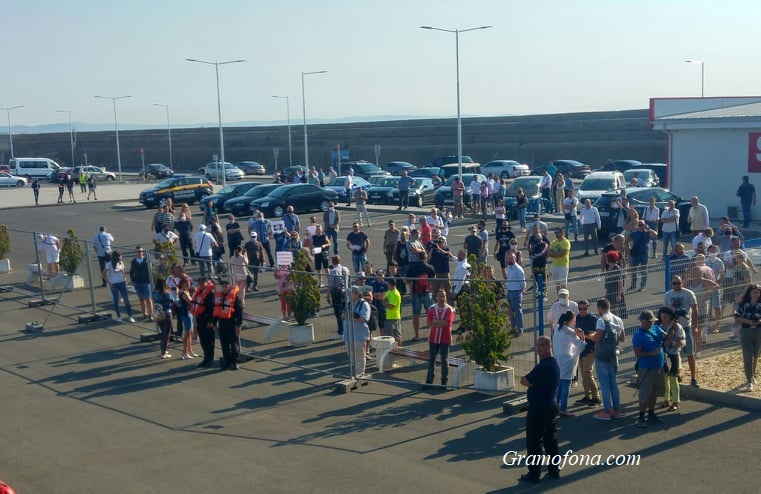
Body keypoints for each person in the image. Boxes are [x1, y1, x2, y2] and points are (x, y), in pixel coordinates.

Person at [518, 335, 560, 484]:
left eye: (542, 345)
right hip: (551, 406)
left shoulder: (544, 366)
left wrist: (529, 383)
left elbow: (525, 380)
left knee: (534, 442)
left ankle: (534, 474)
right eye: (537, 345)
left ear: (549, 347)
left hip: (539, 408)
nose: (538, 348)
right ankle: (554, 471)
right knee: (550, 440)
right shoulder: (553, 364)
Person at [591, 298, 626, 421]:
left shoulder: (601, 320)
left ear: (600, 308)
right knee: (613, 383)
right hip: (613, 355)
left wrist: (588, 336)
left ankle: (607, 410)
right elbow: (622, 338)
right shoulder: (618, 320)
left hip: (602, 355)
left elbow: (598, 338)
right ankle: (616, 409)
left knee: (604, 383)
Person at [664, 275, 700, 387]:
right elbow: (665, 310)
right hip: (673, 327)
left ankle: (693, 378)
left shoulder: (688, 293)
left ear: (682, 283)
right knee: (673, 353)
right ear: (671, 284)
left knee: (690, 352)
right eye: (674, 283)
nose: (676, 285)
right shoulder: (668, 295)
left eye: (678, 283)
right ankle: (676, 373)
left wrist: (695, 324)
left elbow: (694, 309)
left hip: (685, 327)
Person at [632, 310, 666, 428]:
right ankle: (641, 416)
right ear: (642, 321)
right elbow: (638, 354)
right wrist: (652, 353)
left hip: (658, 366)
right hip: (646, 368)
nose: (651, 323)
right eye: (649, 322)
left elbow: (665, 336)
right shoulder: (638, 335)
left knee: (655, 392)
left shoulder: (655, 328)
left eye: (652, 321)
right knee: (645, 393)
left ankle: (651, 413)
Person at [553, 311, 586, 416]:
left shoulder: (557, 328)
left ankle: (556, 406)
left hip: (558, 359)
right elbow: (580, 345)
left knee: (558, 384)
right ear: (571, 320)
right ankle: (563, 408)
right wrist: (582, 335)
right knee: (566, 385)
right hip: (567, 361)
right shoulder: (569, 332)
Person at [423, 289, 455, 389]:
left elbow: (448, 323)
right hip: (433, 339)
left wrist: (436, 322)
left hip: (445, 339)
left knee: (444, 360)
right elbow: (429, 323)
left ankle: (444, 382)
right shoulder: (432, 308)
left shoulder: (449, 309)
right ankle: (429, 381)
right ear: (436, 297)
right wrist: (440, 322)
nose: (441, 298)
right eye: (440, 296)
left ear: (446, 297)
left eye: (443, 296)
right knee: (431, 360)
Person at [733, 284, 761, 392]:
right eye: (754, 292)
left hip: (758, 331)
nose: (756, 295)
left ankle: (752, 375)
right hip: (746, 332)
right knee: (748, 357)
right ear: (749, 293)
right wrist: (748, 321)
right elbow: (737, 316)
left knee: (756, 355)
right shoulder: (743, 304)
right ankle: (749, 381)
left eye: (758, 293)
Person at [574, 300, 601, 406]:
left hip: (590, 349)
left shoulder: (592, 318)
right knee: (583, 373)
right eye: (580, 309)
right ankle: (588, 395)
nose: (582, 311)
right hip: (581, 349)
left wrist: (583, 334)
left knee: (588, 373)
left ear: (588, 308)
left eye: (584, 309)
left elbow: (596, 334)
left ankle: (596, 397)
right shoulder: (578, 317)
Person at [213, 279, 243, 370]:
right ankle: (227, 361)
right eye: (222, 286)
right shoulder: (218, 297)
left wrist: (238, 324)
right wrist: (214, 323)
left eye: (226, 286)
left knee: (234, 343)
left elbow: (239, 311)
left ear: (229, 286)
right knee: (224, 343)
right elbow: (215, 311)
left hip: (232, 322)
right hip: (222, 323)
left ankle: (235, 361)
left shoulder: (235, 297)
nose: (224, 288)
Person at [659, 306, 685, 410]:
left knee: (673, 378)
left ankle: (676, 401)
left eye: (666, 315)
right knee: (665, 378)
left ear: (671, 316)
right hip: (662, 355)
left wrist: (670, 343)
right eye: (662, 315)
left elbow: (681, 342)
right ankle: (666, 400)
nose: (663, 317)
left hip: (673, 355)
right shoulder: (659, 326)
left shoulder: (677, 327)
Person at [407, 251, 436, 341]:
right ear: (425, 257)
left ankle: (417, 335)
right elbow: (434, 279)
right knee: (431, 315)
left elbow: (408, 281)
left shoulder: (412, 267)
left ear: (418, 257)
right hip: (427, 293)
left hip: (416, 293)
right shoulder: (430, 267)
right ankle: (432, 334)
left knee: (416, 315)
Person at [344, 285, 371, 378]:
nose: (348, 294)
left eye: (350, 293)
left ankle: (360, 374)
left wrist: (351, 317)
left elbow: (364, 319)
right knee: (351, 354)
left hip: (359, 334)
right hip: (349, 334)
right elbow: (342, 315)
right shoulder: (348, 303)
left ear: (356, 294)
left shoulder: (364, 304)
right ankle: (355, 371)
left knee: (359, 355)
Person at [101, 250, 135, 323]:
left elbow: (123, 272)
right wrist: (109, 283)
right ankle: (119, 317)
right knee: (116, 301)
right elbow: (103, 274)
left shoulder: (121, 263)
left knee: (126, 300)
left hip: (122, 283)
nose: (121, 257)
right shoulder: (109, 264)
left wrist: (125, 281)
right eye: (119, 256)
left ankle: (130, 316)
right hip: (114, 284)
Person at [191, 277, 217, 368]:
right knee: (203, 340)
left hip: (207, 320)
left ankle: (210, 358)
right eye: (199, 284)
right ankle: (206, 358)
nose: (200, 285)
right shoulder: (199, 292)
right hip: (200, 319)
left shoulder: (210, 293)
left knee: (209, 340)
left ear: (206, 283)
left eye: (202, 283)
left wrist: (211, 321)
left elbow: (212, 308)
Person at [628, 220, 657, 291]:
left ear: (645, 225)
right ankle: (633, 285)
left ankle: (642, 286)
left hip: (644, 254)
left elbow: (655, 234)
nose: (641, 227)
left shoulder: (647, 233)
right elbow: (626, 241)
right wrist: (629, 251)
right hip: (635, 254)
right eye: (639, 225)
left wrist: (648, 228)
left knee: (644, 271)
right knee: (633, 270)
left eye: (642, 225)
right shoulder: (634, 233)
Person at [327, 255, 351, 339]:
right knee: (345, 312)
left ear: (332, 262)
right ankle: (346, 330)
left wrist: (327, 295)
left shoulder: (333, 271)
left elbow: (330, 285)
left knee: (338, 313)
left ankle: (341, 331)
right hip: (346, 293)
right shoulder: (346, 269)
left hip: (337, 294)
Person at [129, 246, 154, 321]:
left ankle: (151, 314)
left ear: (143, 252)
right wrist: (133, 280)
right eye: (138, 251)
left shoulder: (146, 260)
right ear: (135, 253)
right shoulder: (133, 261)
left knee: (148, 298)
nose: (139, 253)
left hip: (146, 282)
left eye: (141, 251)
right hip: (137, 282)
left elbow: (150, 271)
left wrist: (150, 280)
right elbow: (131, 272)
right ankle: (144, 313)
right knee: (141, 299)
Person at [505, 252, 526, 336]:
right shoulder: (508, 267)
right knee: (510, 311)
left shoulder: (518, 269)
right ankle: (513, 328)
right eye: (508, 258)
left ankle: (520, 329)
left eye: (511, 258)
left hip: (516, 291)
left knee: (517, 311)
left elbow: (523, 282)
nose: (510, 260)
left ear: (515, 259)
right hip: (509, 291)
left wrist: (522, 289)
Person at [176, 277, 197, 360]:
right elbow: (191, 302)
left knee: (190, 332)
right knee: (187, 333)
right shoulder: (184, 293)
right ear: (182, 284)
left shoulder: (187, 292)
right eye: (186, 283)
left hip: (189, 313)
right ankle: (184, 352)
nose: (188, 284)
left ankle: (189, 350)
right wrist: (195, 295)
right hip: (186, 314)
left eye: (189, 283)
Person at [153, 278, 174, 359]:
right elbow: (171, 301)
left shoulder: (154, 292)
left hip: (158, 313)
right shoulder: (166, 293)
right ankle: (164, 351)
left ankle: (163, 349)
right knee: (167, 333)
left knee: (163, 332)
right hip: (166, 313)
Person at [527, 223, 550, 295]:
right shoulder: (532, 237)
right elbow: (529, 245)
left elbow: (548, 244)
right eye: (534, 229)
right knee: (535, 273)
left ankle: (544, 289)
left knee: (543, 274)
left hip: (542, 260)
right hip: (535, 261)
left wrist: (547, 254)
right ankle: (539, 288)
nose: (535, 230)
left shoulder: (543, 239)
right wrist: (530, 252)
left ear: (539, 229)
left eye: (537, 229)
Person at [547, 227, 571, 292]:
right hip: (555, 265)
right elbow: (549, 252)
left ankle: (565, 298)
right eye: (555, 233)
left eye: (557, 232)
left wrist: (553, 254)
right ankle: (559, 298)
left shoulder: (566, 242)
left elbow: (563, 253)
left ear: (562, 233)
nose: (556, 234)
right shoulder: (554, 242)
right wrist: (555, 255)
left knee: (563, 284)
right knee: (557, 284)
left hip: (563, 265)